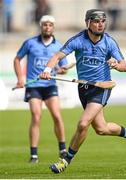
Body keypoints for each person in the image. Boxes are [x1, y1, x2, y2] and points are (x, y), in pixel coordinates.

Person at [40, 9, 126, 173]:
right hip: (84, 88)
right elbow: (57, 57)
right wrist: (48, 69)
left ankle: (65, 160)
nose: (100, 24)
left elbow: (124, 66)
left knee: (83, 123)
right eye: (96, 21)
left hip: (102, 87)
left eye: (103, 21)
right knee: (101, 129)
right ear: (87, 22)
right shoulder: (77, 40)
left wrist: (117, 65)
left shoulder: (109, 42)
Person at [13, 15, 68, 163]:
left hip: (50, 86)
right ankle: (34, 155)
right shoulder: (30, 43)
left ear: (53, 27)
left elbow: (64, 67)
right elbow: (17, 59)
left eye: (50, 25)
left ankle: (63, 150)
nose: (47, 27)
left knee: (57, 115)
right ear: (41, 26)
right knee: (36, 116)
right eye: (45, 25)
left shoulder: (59, 47)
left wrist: (62, 70)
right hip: (34, 85)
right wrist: (20, 78)